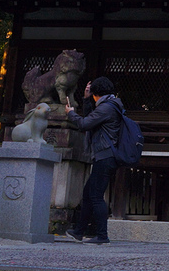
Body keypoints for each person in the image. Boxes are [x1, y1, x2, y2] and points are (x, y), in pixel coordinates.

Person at [65, 76, 121, 244]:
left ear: (98, 94)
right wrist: (86, 99)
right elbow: (91, 118)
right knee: (88, 194)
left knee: (95, 195)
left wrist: (71, 113)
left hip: (105, 156)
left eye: (93, 95)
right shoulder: (110, 105)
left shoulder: (107, 108)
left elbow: (84, 123)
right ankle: (79, 231)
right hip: (104, 156)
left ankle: (102, 235)